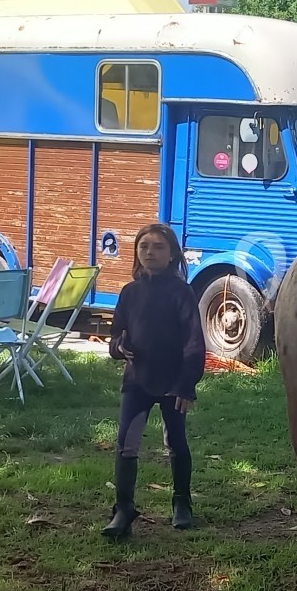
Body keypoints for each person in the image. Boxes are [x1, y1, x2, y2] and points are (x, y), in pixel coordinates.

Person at [104, 223, 206, 537]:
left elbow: (193, 342)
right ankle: (123, 509)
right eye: (144, 246)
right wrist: (120, 347)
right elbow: (114, 339)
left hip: (173, 381)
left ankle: (181, 502)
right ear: (136, 251)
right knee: (127, 445)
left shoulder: (181, 292)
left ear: (172, 253)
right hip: (137, 382)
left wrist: (187, 384)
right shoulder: (129, 292)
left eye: (159, 247)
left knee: (176, 442)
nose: (150, 252)